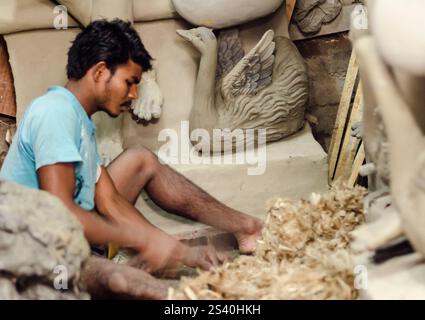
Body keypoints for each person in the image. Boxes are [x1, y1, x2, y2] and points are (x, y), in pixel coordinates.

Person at [0, 19, 263, 298]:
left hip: (69, 240)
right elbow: (61, 212)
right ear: (100, 72)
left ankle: (247, 228)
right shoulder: (53, 112)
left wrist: (181, 251)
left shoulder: (80, 121)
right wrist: (141, 240)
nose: (134, 93)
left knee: (140, 159)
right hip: (34, 254)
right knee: (125, 281)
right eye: (130, 82)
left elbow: (110, 201)